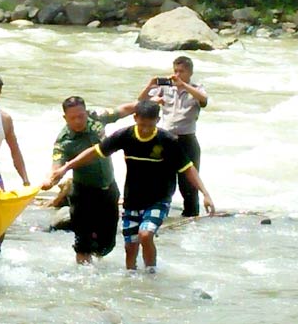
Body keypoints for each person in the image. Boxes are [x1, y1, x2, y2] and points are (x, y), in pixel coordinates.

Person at [52, 100, 215, 272]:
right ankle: (132, 279)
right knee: (130, 247)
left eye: (150, 125)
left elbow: (188, 168)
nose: (145, 129)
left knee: (145, 235)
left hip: (158, 199)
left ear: (157, 121)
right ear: (135, 118)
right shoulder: (125, 136)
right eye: (142, 124)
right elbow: (95, 152)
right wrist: (66, 167)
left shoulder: (167, 140)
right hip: (132, 200)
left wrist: (205, 194)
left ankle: (151, 274)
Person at [42, 97, 137, 265]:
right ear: (65, 118)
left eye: (81, 116)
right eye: (73, 118)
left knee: (107, 244)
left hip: (109, 190)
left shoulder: (96, 118)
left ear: (86, 112)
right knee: (83, 243)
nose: (78, 121)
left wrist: (144, 104)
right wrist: (50, 180)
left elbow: (122, 111)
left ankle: (96, 267)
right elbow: (56, 164)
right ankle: (83, 276)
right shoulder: (64, 141)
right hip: (83, 193)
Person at [138, 56, 208, 217]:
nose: (176, 74)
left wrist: (183, 85)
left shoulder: (196, 88)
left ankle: (191, 215)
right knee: (162, 180)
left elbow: (204, 100)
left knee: (188, 184)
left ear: (190, 72)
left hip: (187, 140)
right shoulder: (166, 87)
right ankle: (158, 215)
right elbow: (141, 102)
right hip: (166, 139)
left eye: (181, 71)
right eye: (175, 70)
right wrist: (150, 85)